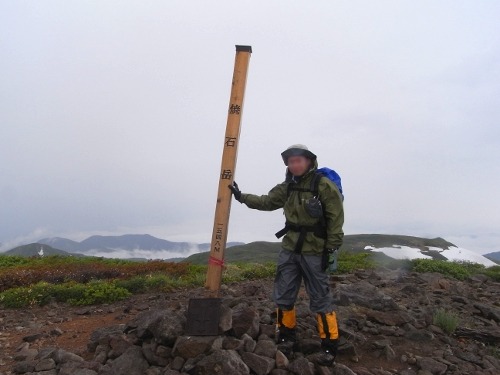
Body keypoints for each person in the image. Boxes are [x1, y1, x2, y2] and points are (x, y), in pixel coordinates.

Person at [229, 144, 344, 365]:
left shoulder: (323, 185)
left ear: (309, 162)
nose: (295, 165)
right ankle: (285, 336)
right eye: (291, 162)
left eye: (299, 160)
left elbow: (336, 218)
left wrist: (331, 249)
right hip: (290, 248)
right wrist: (241, 196)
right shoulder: (287, 187)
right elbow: (266, 201)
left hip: (315, 250)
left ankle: (330, 346)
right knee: (284, 293)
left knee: (320, 297)